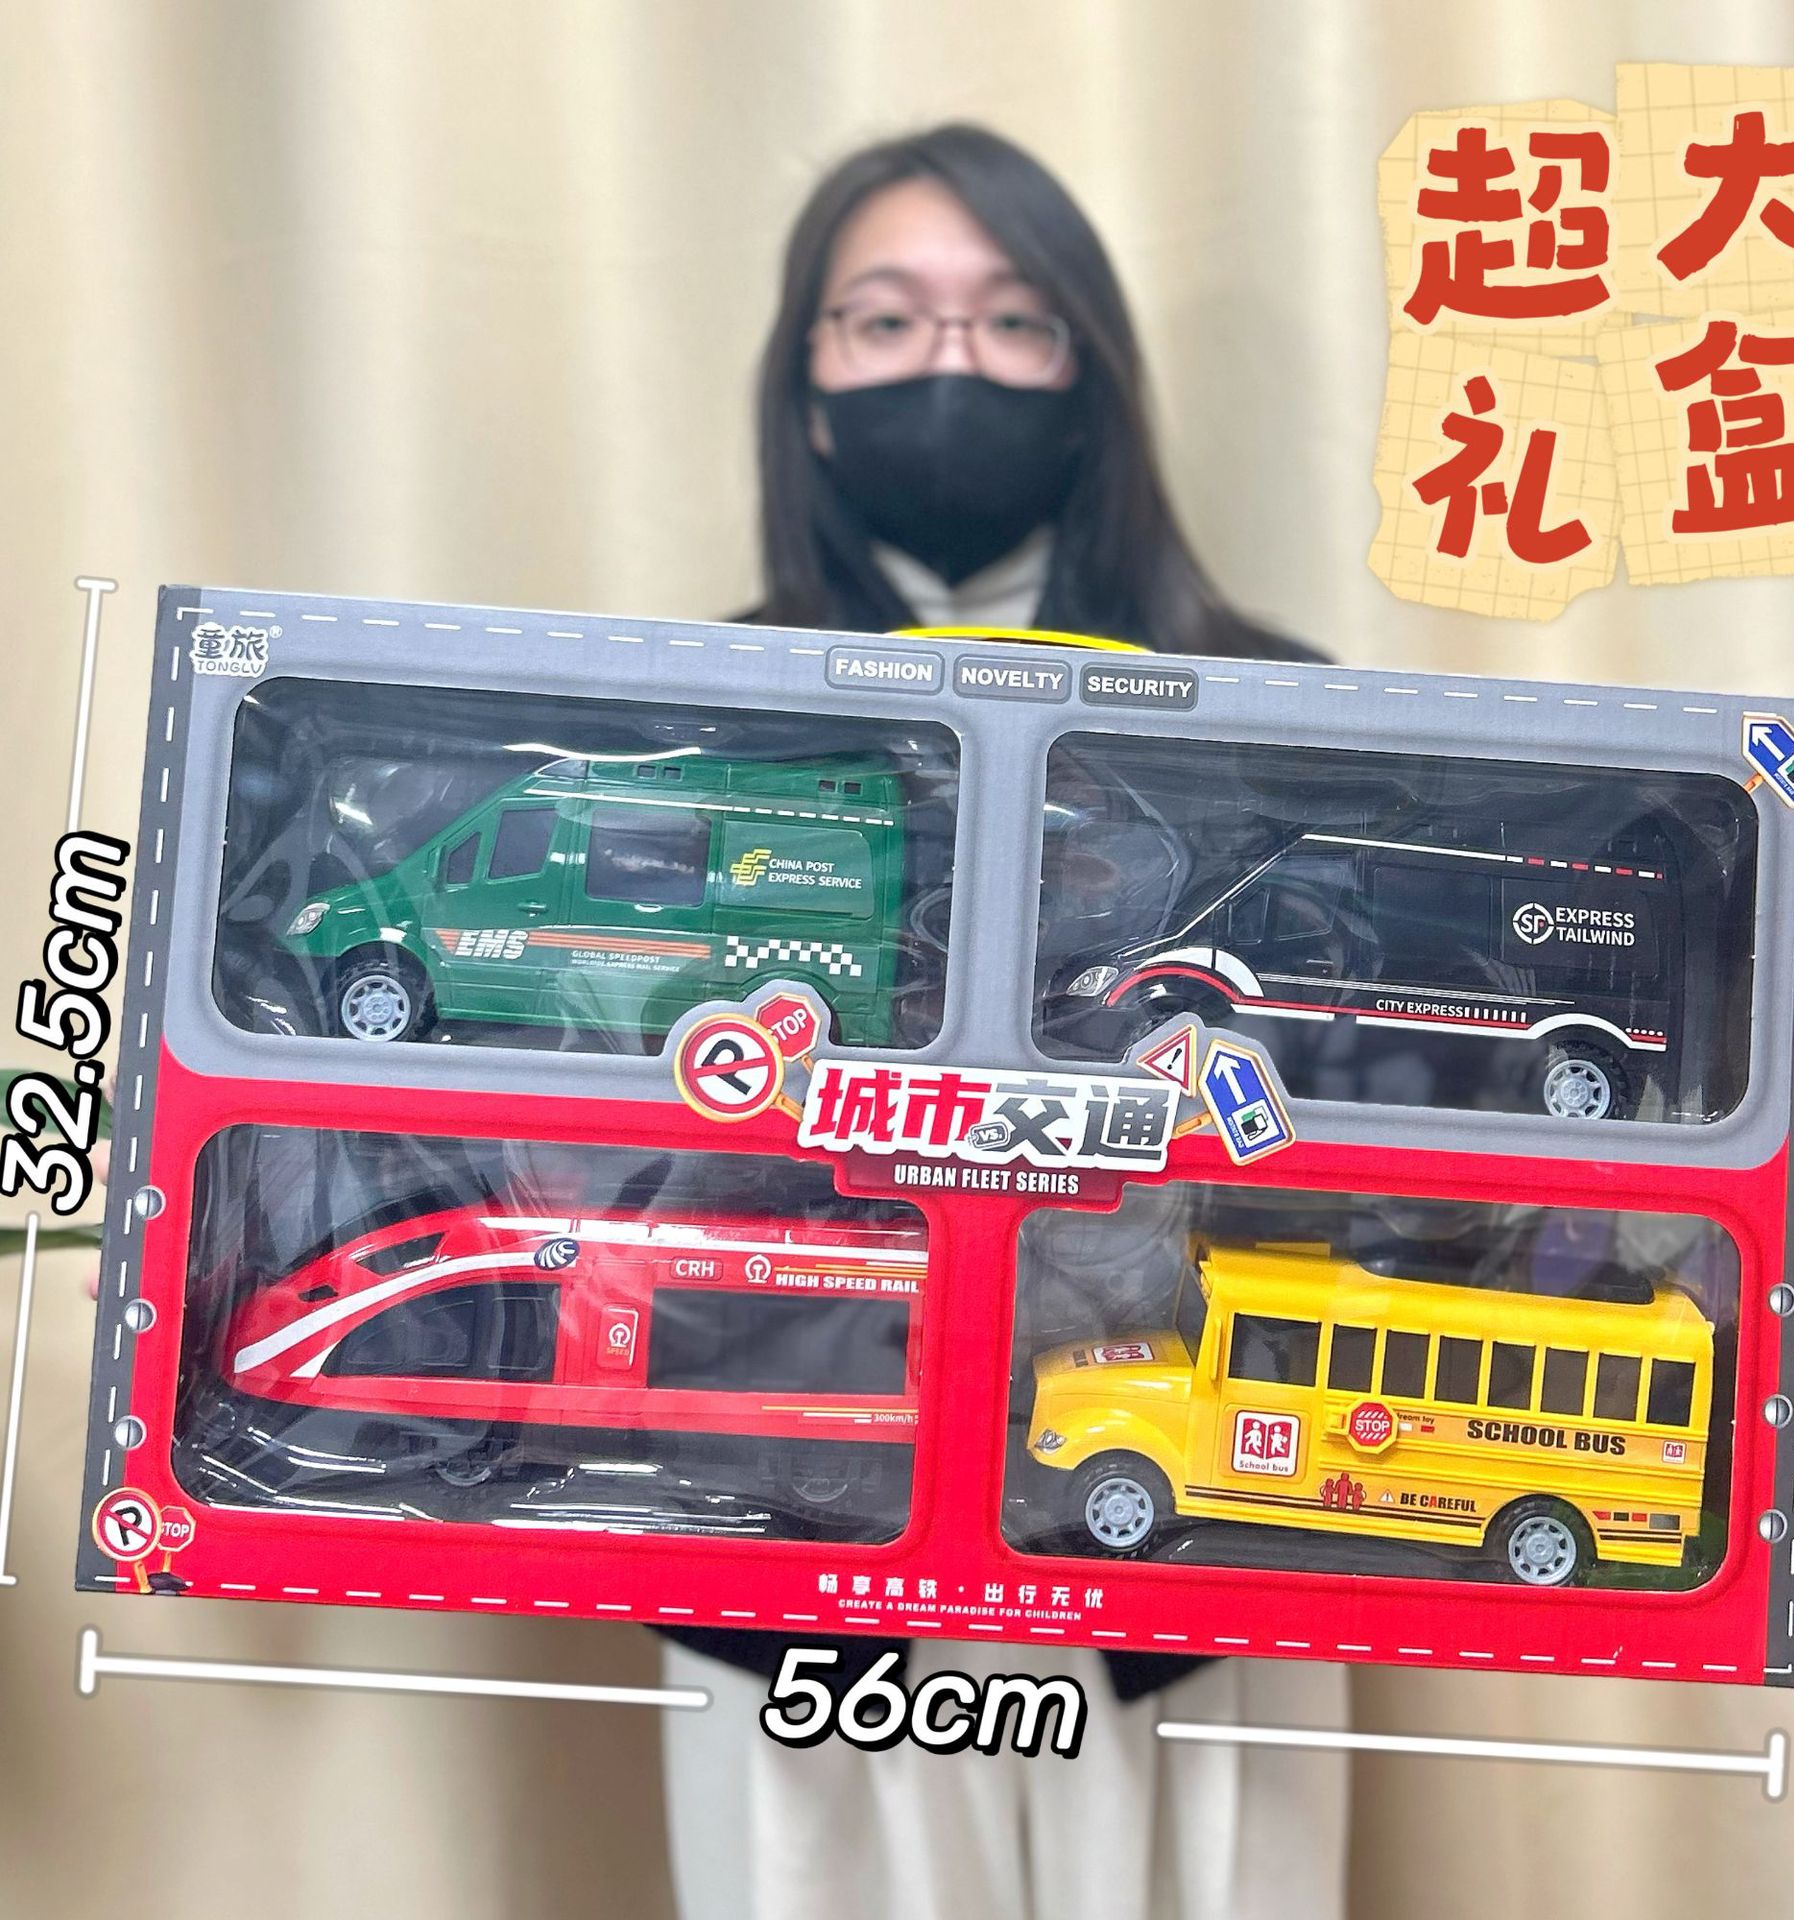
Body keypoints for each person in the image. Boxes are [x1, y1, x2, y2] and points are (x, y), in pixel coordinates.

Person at [659, 122, 1348, 1920]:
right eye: (885, 322)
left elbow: (1365, 1115)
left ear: (1088, 379)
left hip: (1188, 1548)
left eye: (1013, 321)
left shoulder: (1291, 711)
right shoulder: (683, 716)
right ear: (807, 392)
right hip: (800, 1541)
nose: (948, 366)